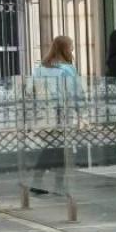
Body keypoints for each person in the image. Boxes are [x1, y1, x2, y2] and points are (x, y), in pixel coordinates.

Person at [28, 36, 83, 196]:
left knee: (52, 148)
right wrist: (81, 112)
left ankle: (41, 182)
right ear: (65, 49)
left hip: (45, 113)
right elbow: (75, 92)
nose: (72, 50)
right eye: (71, 47)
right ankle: (55, 184)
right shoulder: (68, 69)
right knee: (60, 149)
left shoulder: (40, 68)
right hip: (62, 113)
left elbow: (32, 90)